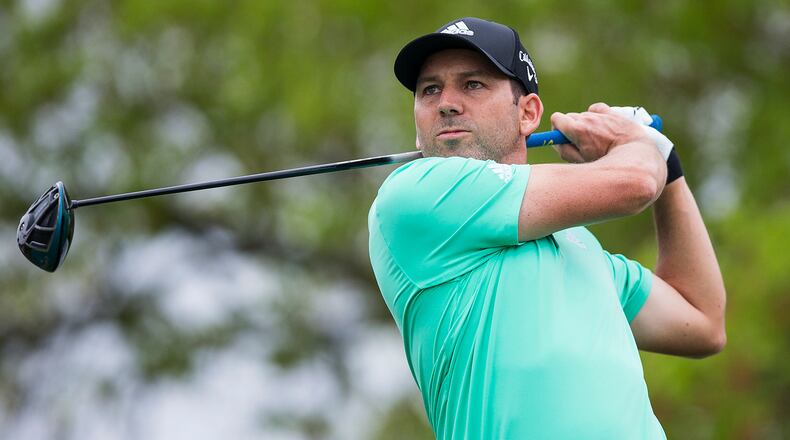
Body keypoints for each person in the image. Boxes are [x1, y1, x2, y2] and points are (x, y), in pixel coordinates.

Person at [367, 17, 727, 439]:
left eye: (473, 84)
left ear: (528, 113)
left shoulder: (580, 246)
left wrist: (668, 166)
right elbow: (635, 183)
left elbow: (703, 321)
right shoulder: (415, 195)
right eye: (430, 89)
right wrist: (637, 146)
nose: (446, 102)